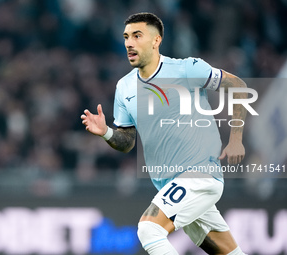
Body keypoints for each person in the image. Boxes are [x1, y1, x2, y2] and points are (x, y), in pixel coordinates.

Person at [81, 12, 247, 255]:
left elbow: (238, 86)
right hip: (169, 185)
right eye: (126, 37)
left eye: (137, 36)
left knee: (149, 229)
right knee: (228, 253)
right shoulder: (124, 87)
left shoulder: (187, 69)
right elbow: (127, 142)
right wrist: (106, 132)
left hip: (199, 175)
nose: (129, 43)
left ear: (156, 40)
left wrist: (236, 140)